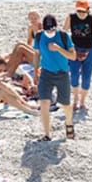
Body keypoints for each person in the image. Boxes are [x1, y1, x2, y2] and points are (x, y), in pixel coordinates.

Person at [33, 13, 79, 141]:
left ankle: (69, 124)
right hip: (46, 73)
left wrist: (58, 48)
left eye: (52, 29)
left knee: (65, 104)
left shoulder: (64, 36)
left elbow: (73, 56)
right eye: (47, 29)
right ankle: (47, 134)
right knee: (44, 103)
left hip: (62, 73)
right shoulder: (39, 36)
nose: (50, 32)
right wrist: (35, 71)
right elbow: (36, 54)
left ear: (56, 27)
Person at [66, 0, 92, 115]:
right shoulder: (71, 17)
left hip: (89, 49)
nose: (81, 13)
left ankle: (82, 101)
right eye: (79, 11)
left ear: (87, 10)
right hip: (75, 49)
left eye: (83, 11)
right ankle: (75, 100)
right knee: (74, 75)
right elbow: (64, 32)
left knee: (86, 77)